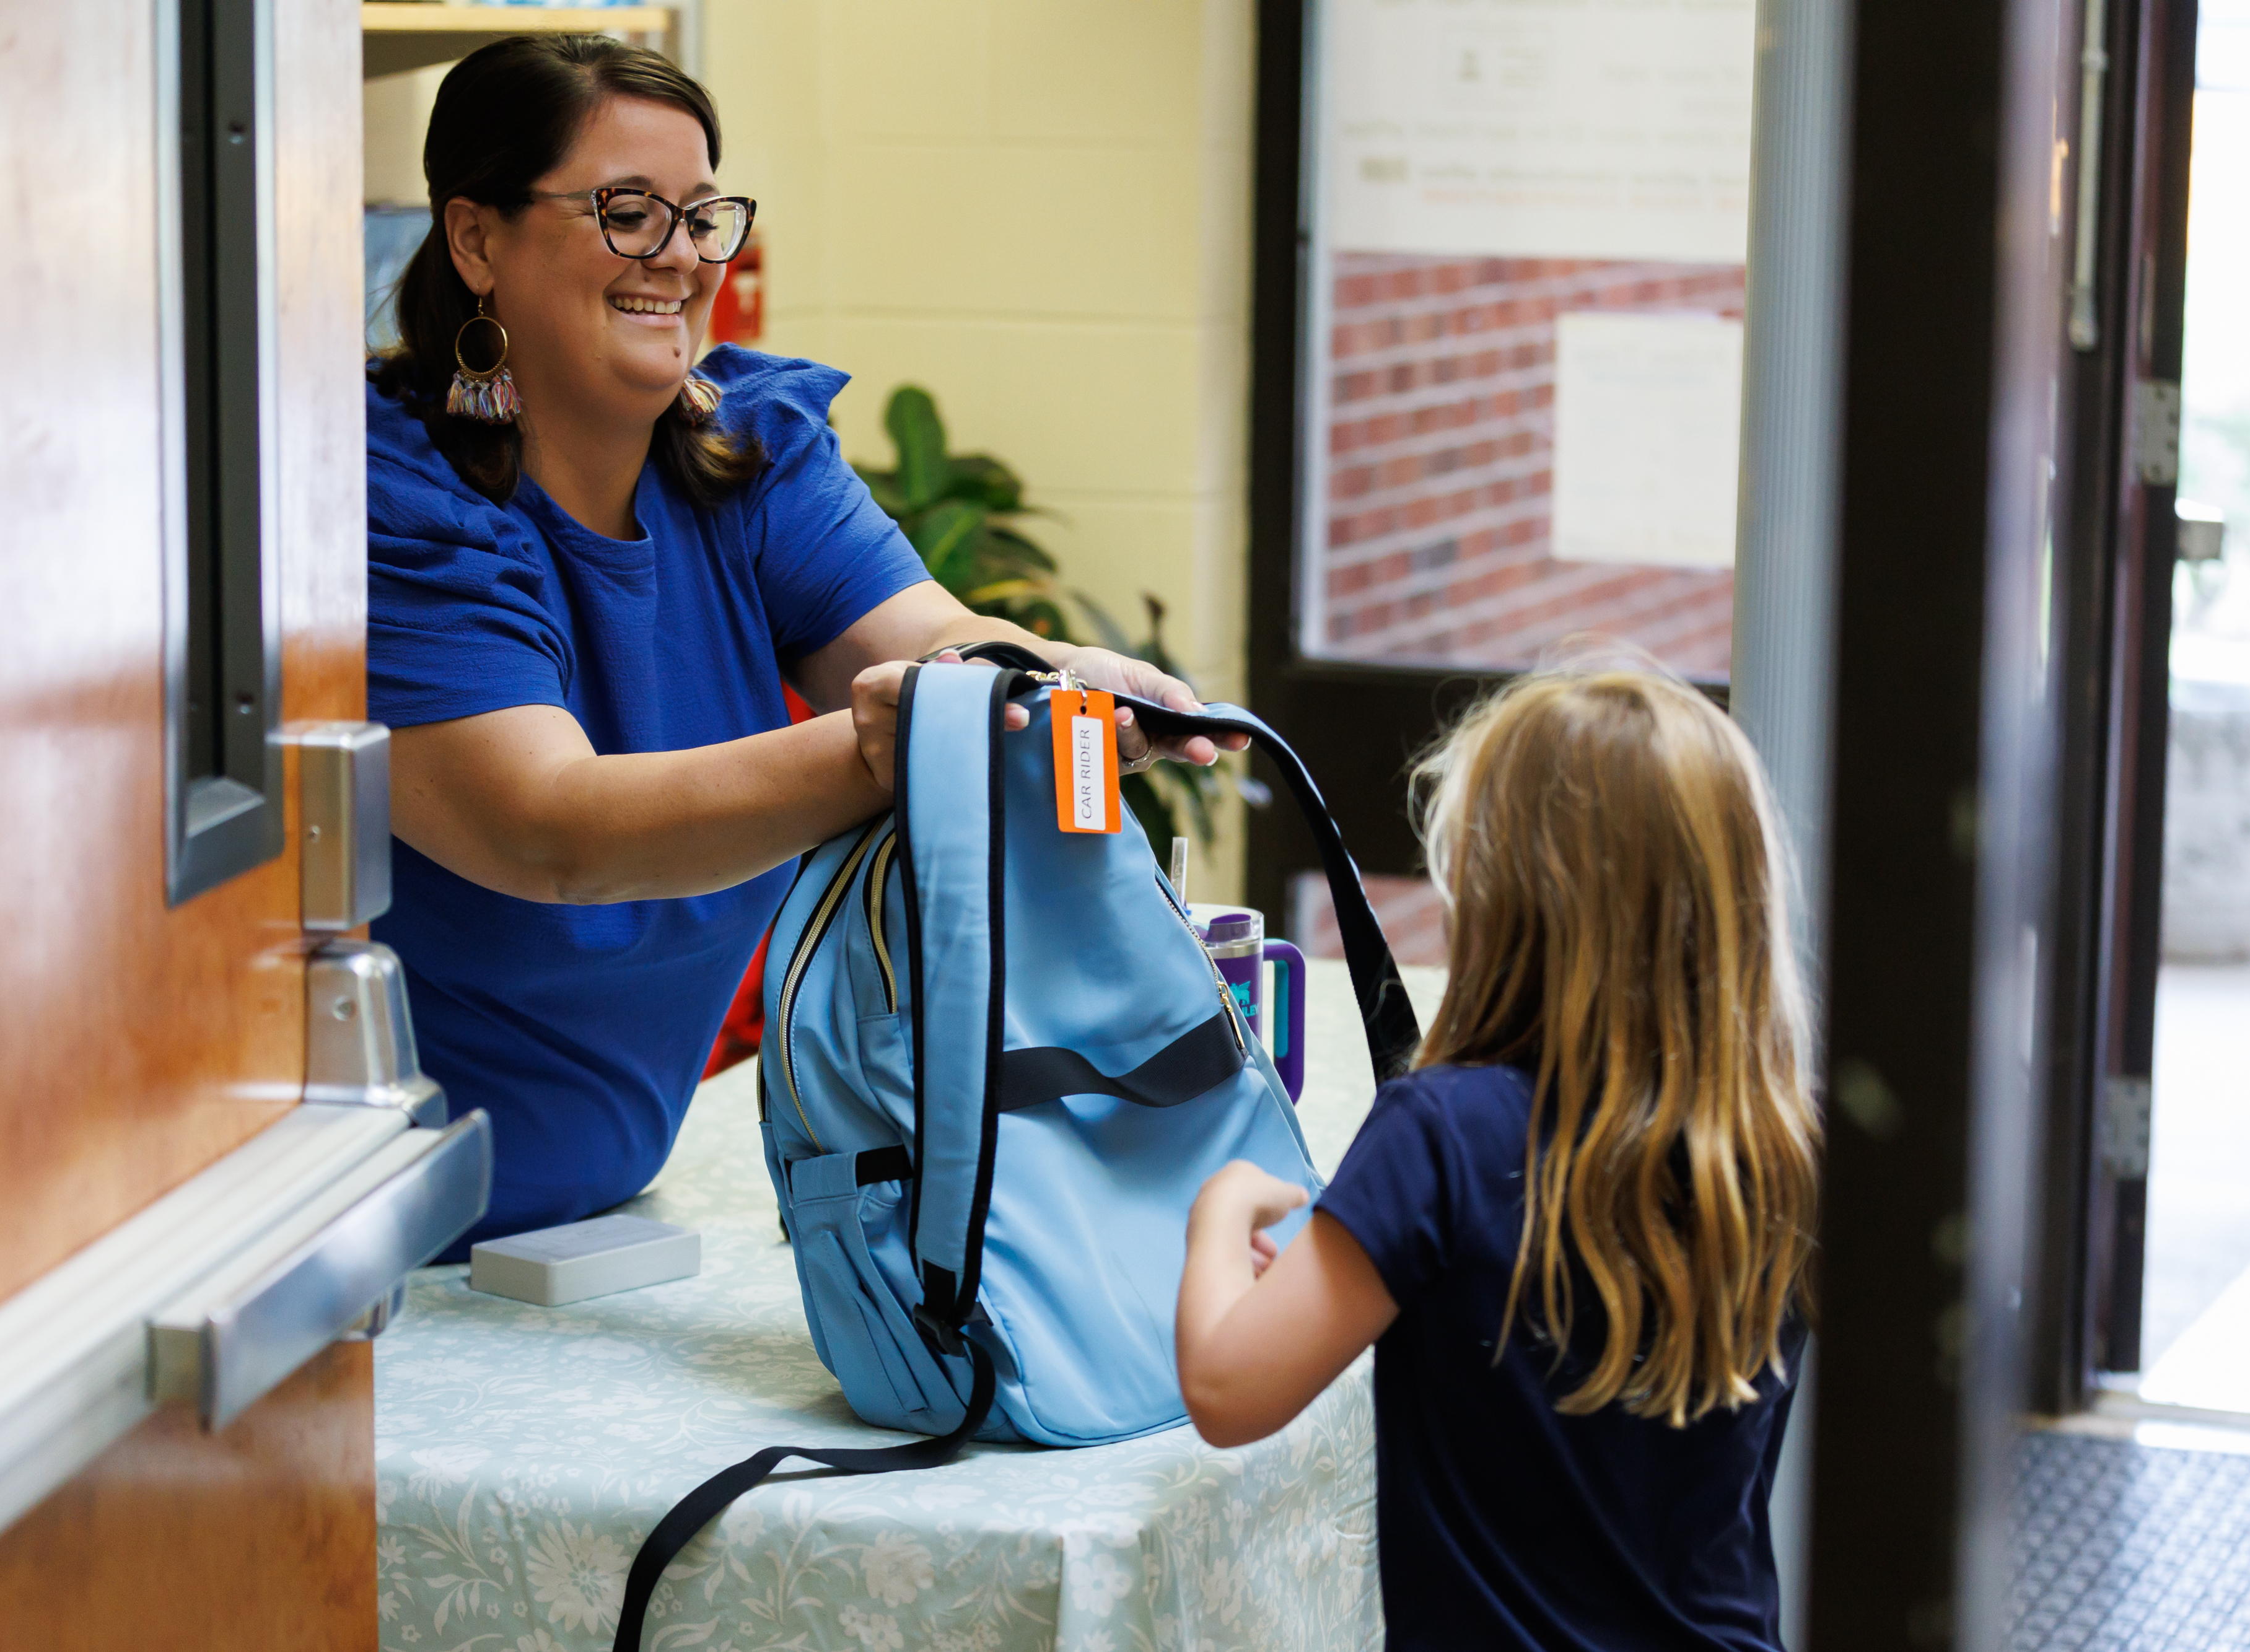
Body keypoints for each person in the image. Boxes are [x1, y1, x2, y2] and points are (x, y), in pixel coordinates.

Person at [367, 34, 1236, 1253]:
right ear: (475, 241)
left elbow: (934, 634)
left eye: (701, 214)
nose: (678, 254)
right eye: (626, 213)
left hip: (601, 1221)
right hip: (380, 1253)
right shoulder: (393, 502)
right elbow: (542, 826)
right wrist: (887, 746)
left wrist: (1050, 677)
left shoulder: (745, 454)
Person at [1174, 666, 1821, 1651]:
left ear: (1500, 889)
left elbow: (1227, 1389)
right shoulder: (1778, 1152)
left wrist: (1220, 1209)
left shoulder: (1439, 1134)